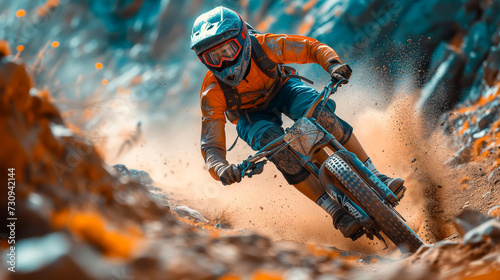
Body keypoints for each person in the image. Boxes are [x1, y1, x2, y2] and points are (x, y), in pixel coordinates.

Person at [190, 6, 406, 240]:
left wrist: (333, 64)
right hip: (249, 116)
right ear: (204, 60)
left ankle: (376, 176)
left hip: (284, 88)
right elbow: (211, 146)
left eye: (228, 50)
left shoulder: (265, 45)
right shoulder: (211, 92)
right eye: (214, 56)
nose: (223, 61)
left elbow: (310, 48)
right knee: (274, 146)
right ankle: (334, 211)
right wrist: (221, 169)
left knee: (321, 114)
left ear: (243, 40)